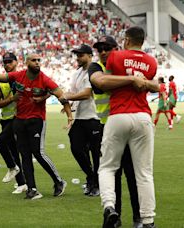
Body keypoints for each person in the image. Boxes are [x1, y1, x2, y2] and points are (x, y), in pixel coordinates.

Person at [0, 53, 73, 200]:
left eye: (39, 60)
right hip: (19, 120)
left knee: (39, 153)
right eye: (33, 60)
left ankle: (59, 182)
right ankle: (32, 189)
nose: (37, 63)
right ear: (26, 63)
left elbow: (61, 96)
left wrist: (69, 116)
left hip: (36, 120)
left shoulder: (45, 79)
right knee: (24, 155)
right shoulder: (18, 76)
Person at [90, 27, 159, 228]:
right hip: (143, 115)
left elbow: (105, 82)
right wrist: (139, 80)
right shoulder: (151, 62)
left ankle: (110, 206)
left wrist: (129, 79)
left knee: (107, 167)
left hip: (119, 115)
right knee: (144, 173)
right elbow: (153, 84)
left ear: (126, 40)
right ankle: (148, 220)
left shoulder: (116, 57)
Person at [89, 36, 141, 228]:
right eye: (100, 49)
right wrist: (130, 80)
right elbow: (101, 84)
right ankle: (114, 217)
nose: (103, 52)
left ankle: (138, 217)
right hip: (106, 127)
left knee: (132, 174)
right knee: (113, 174)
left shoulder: (123, 67)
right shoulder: (96, 68)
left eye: (107, 48)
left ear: (116, 49)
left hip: (127, 125)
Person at [60, 44, 101, 197]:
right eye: (77, 55)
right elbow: (75, 92)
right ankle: (91, 177)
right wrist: (69, 103)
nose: (78, 58)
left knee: (96, 154)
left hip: (93, 118)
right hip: (79, 117)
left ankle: (96, 183)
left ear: (90, 56)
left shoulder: (94, 72)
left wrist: (68, 97)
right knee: (76, 148)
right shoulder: (77, 73)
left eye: (81, 55)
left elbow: (86, 94)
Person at [0, 52, 27, 194]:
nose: (7, 65)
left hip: (19, 118)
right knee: (13, 151)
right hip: (5, 120)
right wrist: (12, 99)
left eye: (10, 62)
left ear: (16, 62)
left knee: (0, 142)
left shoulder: (23, 78)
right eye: (5, 62)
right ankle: (22, 184)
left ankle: (13, 169)